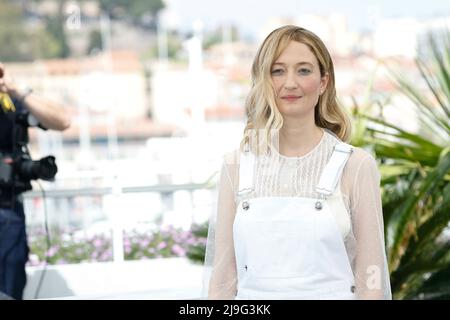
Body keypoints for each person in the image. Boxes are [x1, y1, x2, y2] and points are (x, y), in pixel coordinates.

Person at [203, 25, 392, 300]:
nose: (290, 83)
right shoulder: (236, 166)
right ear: (263, 80)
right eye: (278, 71)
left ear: (323, 82)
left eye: (303, 70)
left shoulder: (356, 166)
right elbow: (222, 278)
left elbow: (371, 273)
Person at [0, 62, 70, 300]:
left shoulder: (10, 100)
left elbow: (62, 120)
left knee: (10, 289)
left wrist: (18, 89)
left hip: (8, 211)